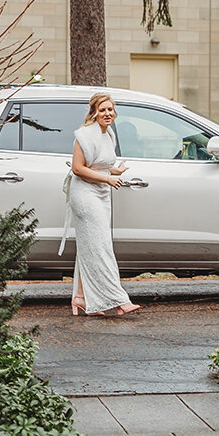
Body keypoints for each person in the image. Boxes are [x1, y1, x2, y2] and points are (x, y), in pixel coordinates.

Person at [66, 91, 141, 317]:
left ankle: (80, 298)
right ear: (94, 112)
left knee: (90, 246)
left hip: (101, 193)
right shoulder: (84, 136)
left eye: (110, 110)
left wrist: (113, 170)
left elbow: (97, 165)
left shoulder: (108, 135)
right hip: (84, 195)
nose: (107, 114)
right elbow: (78, 169)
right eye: (103, 110)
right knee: (101, 246)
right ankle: (118, 300)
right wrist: (108, 178)